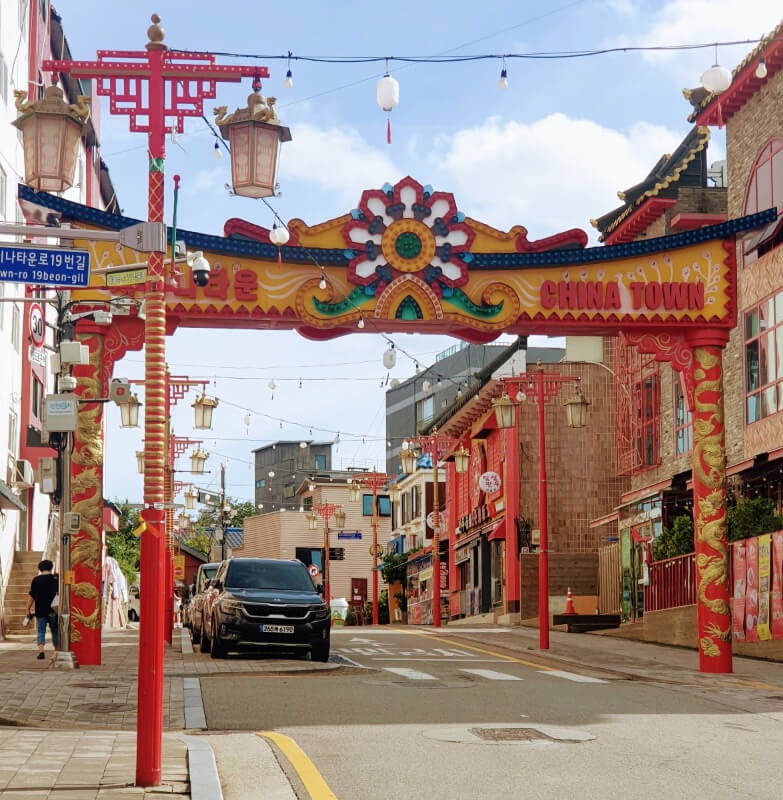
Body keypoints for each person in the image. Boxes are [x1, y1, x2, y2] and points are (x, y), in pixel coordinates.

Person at [24, 560, 59, 660]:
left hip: (40, 611)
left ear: (40, 568)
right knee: (55, 631)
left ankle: (41, 651)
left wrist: (28, 609)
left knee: (41, 631)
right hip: (53, 610)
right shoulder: (56, 579)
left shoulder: (36, 580)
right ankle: (56, 651)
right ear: (51, 567)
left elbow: (31, 596)